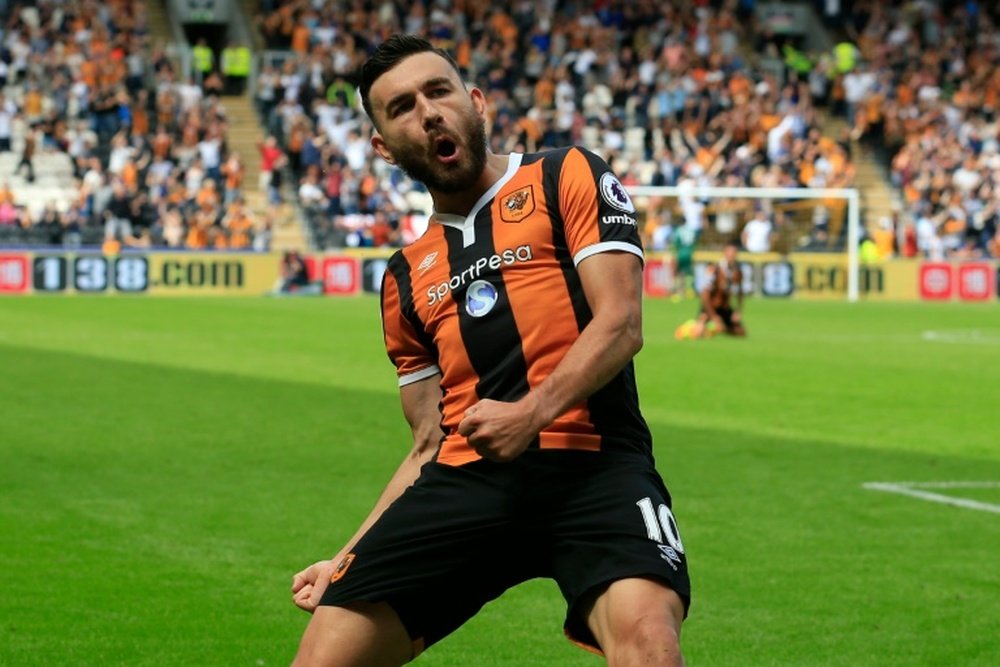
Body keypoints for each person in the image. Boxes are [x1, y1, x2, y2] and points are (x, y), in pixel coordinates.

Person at [290, 35, 690, 667]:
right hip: (465, 484)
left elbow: (621, 324)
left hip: (597, 470)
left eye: (438, 91)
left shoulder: (568, 175)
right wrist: (346, 558)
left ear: (475, 102)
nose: (427, 112)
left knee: (649, 644)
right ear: (383, 147)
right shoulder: (404, 276)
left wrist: (530, 413)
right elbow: (426, 442)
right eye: (400, 108)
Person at [689, 239, 746, 339]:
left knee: (741, 333)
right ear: (724, 253)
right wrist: (714, 317)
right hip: (710, 307)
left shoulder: (737, 271)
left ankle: (715, 329)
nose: (731, 255)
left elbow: (740, 292)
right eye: (729, 252)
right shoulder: (715, 269)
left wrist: (738, 311)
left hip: (724, 307)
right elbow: (705, 295)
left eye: (734, 253)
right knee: (697, 334)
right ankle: (694, 326)